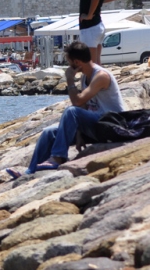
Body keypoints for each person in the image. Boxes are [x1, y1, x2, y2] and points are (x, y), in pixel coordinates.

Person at [8, 41, 126, 177]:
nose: (68, 66)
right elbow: (84, 107)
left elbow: (77, 102)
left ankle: (58, 157)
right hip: (95, 125)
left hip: (111, 124)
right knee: (48, 132)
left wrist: (70, 80)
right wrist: (79, 133)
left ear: (76, 62)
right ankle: (30, 171)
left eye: (69, 61)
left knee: (71, 111)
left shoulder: (101, 76)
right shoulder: (84, 78)